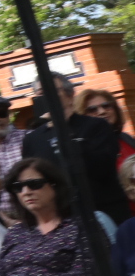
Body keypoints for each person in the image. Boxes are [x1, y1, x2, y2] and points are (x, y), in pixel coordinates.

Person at [24, 75, 130, 225]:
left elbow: (103, 168)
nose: (46, 96)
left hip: (104, 211)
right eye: (41, 92)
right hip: (61, 218)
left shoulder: (96, 126)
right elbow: (29, 180)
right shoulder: (32, 139)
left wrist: (66, 132)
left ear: (70, 95)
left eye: (52, 90)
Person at [79, 86, 135, 173]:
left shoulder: (125, 138)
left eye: (106, 106)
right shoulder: (83, 148)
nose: (102, 111)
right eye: (92, 109)